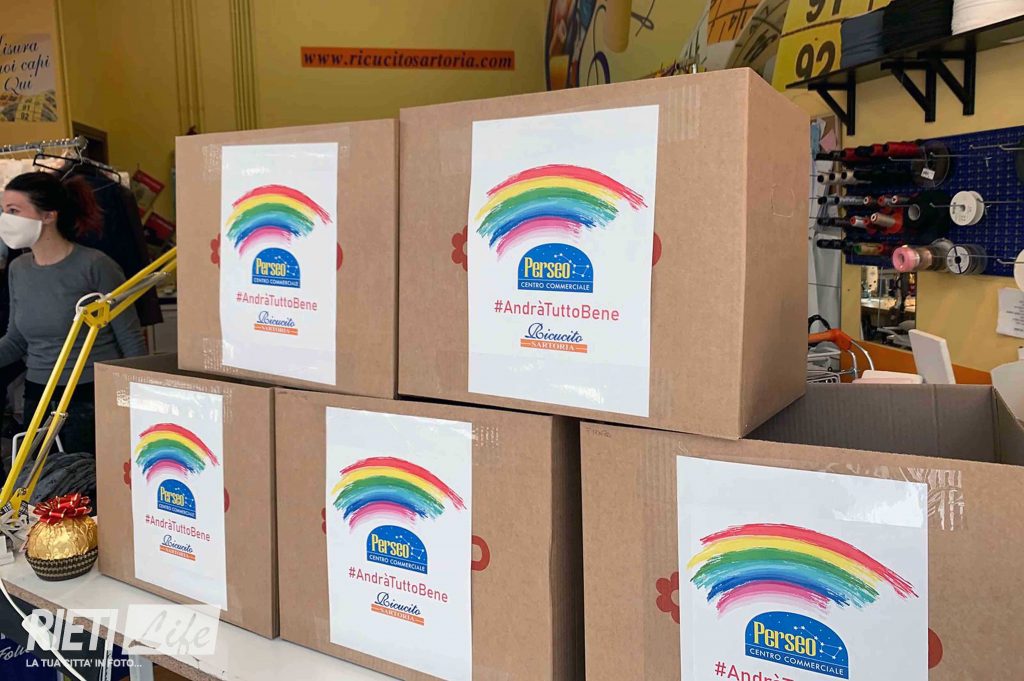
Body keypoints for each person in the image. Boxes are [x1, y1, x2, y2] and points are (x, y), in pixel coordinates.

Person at [0, 171, 147, 456]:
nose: (5, 219)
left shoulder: (95, 266)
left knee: (87, 480)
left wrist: (139, 400)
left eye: (14, 211)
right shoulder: (19, 269)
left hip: (90, 397)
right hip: (39, 397)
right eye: (4, 210)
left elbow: (130, 339)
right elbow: (16, 340)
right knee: (41, 480)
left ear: (48, 216)